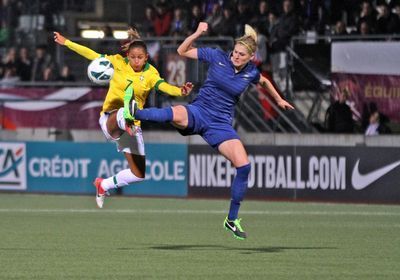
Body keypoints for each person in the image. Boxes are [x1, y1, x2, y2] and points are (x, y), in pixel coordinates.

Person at [126, 22, 294, 240]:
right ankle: (133, 113)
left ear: (251, 57)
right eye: (235, 52)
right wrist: (196, 33)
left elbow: (264, 82)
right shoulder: (217, 56)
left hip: (221, 126)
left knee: (244, 166)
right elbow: (182, 51)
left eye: (241, 54)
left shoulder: (251, 72)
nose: (235, 56)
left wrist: (279, 99)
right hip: (199, 111)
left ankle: (231, 220)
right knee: (175, 112)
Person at [54, 29, 193, 208]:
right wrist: (67, 42)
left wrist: (180, 90)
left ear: (146, 57)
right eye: (133, 57)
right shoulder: (117, 62)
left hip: (132, 127)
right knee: (123, 110)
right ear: (128, 55)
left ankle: (103, 185)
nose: (136, 61)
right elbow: (92, 55)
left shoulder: (151, 73)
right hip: (110, 119)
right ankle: (125, 115)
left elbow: (164, 86)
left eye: (140, 57)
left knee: (138, 173)